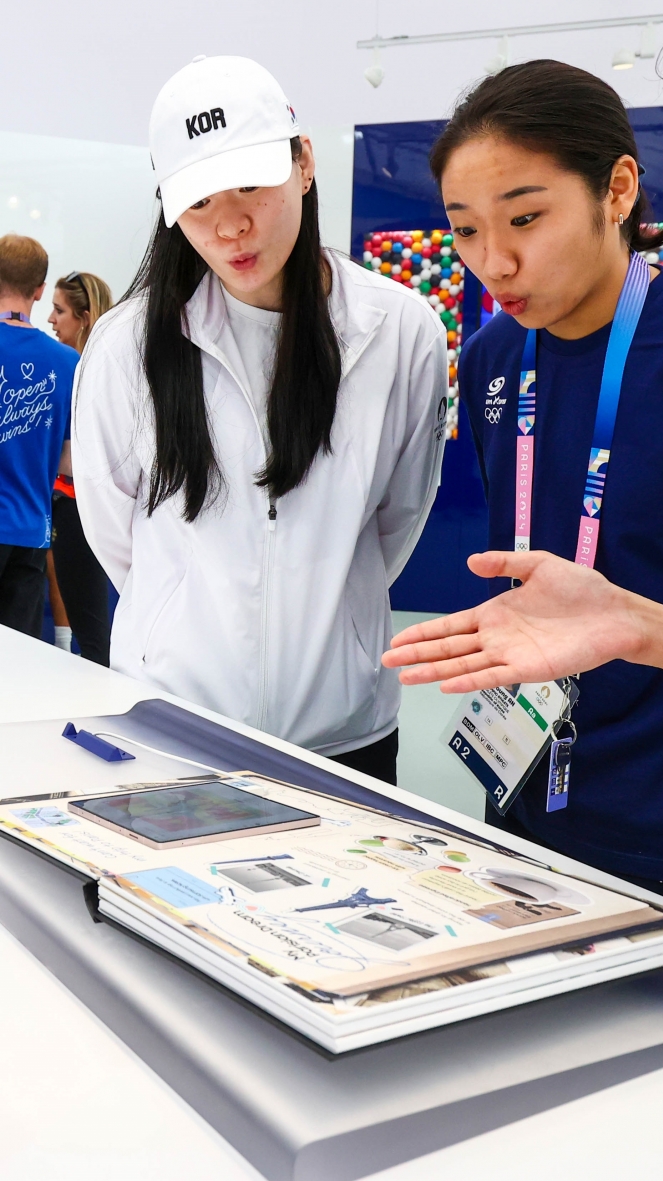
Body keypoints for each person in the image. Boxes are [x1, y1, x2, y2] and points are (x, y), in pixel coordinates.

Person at [384, 59, 663, 919]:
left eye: (527, 218)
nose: (492, 261)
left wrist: (640, 627)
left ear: (617, 190)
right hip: (526, 787)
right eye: (464, 230)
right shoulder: (496, 357)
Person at [72, 55, 447, 785]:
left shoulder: (399, 331)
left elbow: (396, 518)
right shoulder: (127, 345)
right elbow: (117, 532)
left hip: (347, 737)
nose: (231, 223)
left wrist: (328, 622)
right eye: (199, 200)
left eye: (250, 184)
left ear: (303, 162)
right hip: (171, 729)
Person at [0, 235, 78, 637]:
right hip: (31, 531)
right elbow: (69, 461)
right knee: (15, 668)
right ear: (40, 290)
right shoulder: (67, 362)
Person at [46, 271, 114, 665]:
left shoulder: (91, 371)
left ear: (84, 317)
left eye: (59, 311)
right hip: (71, 505)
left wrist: (27, 450)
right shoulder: (77, 369)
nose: (51, 320)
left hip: (81, 508)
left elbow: (85, 457)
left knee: (92, 636)